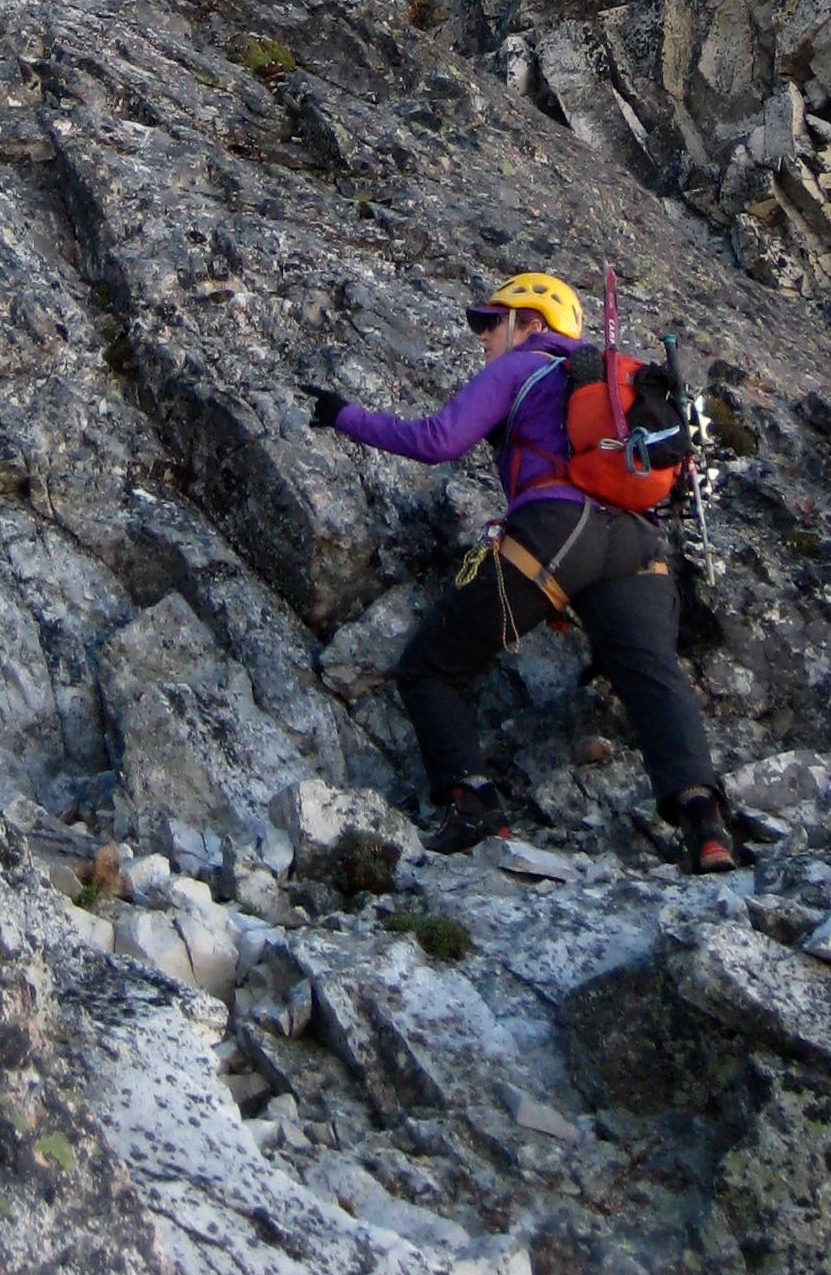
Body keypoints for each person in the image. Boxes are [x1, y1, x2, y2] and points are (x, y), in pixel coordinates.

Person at [310, 272, 733, 871]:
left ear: (530, 325)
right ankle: (705, 823)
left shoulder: (523, 367)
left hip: (558, 532)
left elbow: (439, 440)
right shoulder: (616, 384)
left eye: (492, 322)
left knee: (431, 666)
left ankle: (473, 805)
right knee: (651, 674)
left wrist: (343, 415)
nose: (483, 336)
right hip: (641, 541)